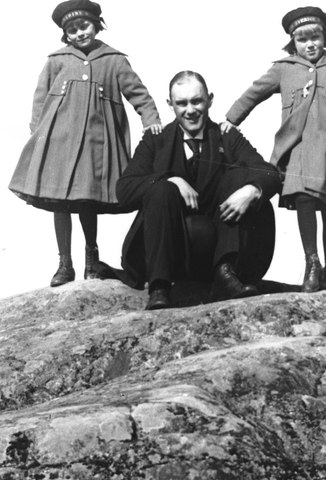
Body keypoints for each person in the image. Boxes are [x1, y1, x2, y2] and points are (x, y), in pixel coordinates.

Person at [9, 0, 162, 287]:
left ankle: (91, 257)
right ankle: (64, 263)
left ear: (97, 25)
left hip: (95, 144)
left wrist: (150, 119)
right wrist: (37, 133)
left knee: (86, 198)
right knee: (58, 200)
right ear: (65, 35)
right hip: (58, 143)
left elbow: (139, 94)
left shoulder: (114, 60)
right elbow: (40, 98)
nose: (80, 33)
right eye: (72, 30)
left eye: (84, 26)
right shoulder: (56, 60)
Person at [223, 6, 326, 292]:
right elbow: (255, 92)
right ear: (293, 43)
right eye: (302, 40)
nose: (310, 44)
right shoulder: (284, 69)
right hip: (299, 147)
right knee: (303, 197)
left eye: (315, 37)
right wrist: (231, 119)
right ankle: (312, 262)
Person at [116, 71, 281, 310]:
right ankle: (159, 287)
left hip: (215, 250)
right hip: (171, 254)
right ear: (170, 105)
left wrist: (252, 190)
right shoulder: (157, 140)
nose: (190, 110)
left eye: (197, 101)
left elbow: (269, 173)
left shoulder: (226, 136)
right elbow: (124, 190)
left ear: (210, 100)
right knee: (161, 189)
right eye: (182, 103)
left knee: (239, 177)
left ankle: (226, 273)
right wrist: (169, 179)